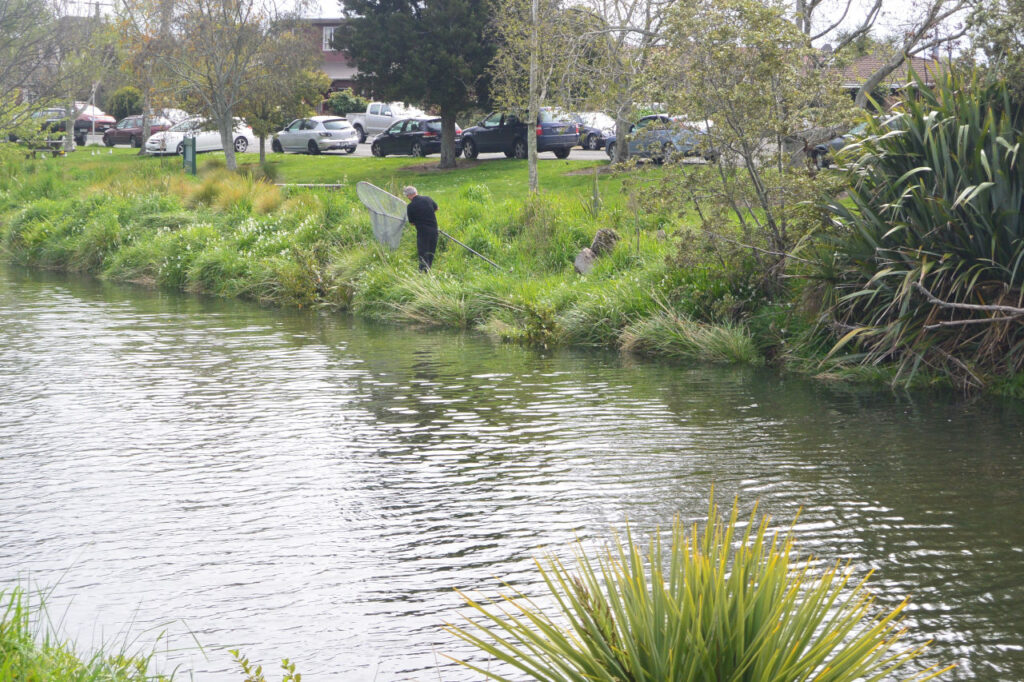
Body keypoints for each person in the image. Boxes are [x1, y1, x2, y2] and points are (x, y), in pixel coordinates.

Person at [403, 185, 439, 272]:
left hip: (423, 233)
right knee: (431, 252)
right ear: (416, 192)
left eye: (407, 196)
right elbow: (437, 208)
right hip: (434, 230)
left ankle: (423, 272)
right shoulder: (428, 199)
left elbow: (411, 223)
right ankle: (429, 270)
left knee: (423, 252)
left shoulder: (410, 206)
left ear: (409, 196)